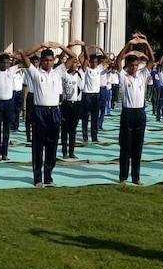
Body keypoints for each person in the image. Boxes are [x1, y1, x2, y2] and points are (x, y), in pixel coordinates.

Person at [20, 40, 81, 187]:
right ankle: (38, 177)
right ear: (41, 61)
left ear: (54, 61)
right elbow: (23, 54)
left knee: (52, 145)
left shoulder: (58, 71)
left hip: (54, 111)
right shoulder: (35, 72)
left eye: (50, 60)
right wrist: (41, 46)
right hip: (39, 111)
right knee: (38, 145)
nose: (48, 63)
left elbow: (73, 57)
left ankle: (48, 176)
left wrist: (60, 46)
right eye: (45, 60)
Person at [116, 36, 154, 185]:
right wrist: (129, 45)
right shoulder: (124, 77)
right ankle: (123, 177)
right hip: (128, 113)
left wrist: (146, 43)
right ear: (128, 66)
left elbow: (151, 60)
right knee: (125, 147)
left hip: (140, 113)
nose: (134, 68)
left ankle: (136, 177)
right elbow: (118, 60)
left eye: (136, 65)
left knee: (138, 147)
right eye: (132, 65)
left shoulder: (142, 75)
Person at [79, 46, 105, 143]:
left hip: (96, 95)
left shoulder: (99, 69)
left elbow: (106, 59)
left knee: (95, 117)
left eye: (95, 62)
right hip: (87, 95)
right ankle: (85, 137)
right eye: (92, 62)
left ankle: (94, 137)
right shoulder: (86, 70)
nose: (94, 64)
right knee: (85, 117)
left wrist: (100, 50)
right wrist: (88, 49)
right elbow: (80, 58)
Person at [61, 60, 82, 159]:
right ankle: (64, 152)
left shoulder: (80, 75)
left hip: (76, 104)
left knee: (73, 130)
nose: (74, 65)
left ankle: (71, 152)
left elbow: (85, 60)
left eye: (76, 63)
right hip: (66, 103)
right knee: (64, 129)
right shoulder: (64, 75)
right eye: (72, 63)